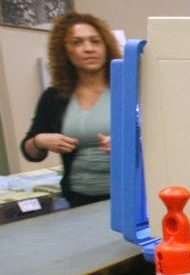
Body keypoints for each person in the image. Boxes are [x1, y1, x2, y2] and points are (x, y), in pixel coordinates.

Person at [21, 12, 122, 208]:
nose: (89, 49)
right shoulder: (54, 97)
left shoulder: (130, 89)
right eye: (77, 43)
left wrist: (129, 143)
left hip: (131, 196)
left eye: (95, 41)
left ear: (106, 46)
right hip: (79, 198)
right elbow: (30, 151)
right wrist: (40, 140)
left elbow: (162, 139)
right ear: (65, 51)